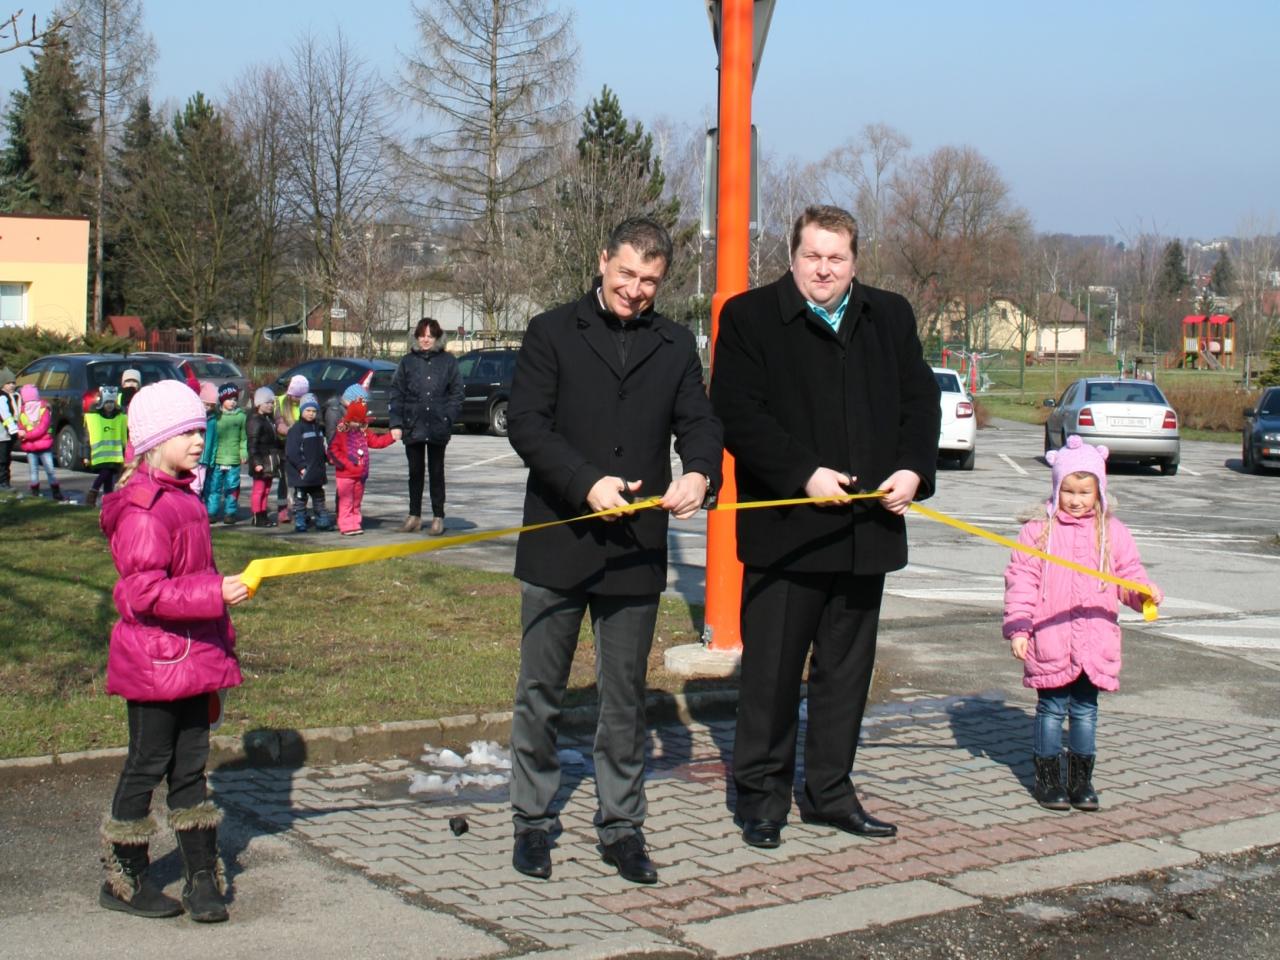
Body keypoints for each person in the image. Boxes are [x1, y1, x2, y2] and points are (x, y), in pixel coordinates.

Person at [710, 204, 941, 850]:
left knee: (845, 677)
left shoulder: (889, 315)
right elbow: (736, 411)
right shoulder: (751, 317)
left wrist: (913, 469)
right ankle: (762, 799)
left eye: (836, 258)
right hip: (787, 534)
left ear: (854, 262)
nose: (823, 269)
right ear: (792, 256)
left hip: (866, 533)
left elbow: (920, 400)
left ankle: (830, 792)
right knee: (772, 678)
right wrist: (802, 474)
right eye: (812, 255)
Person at [505, 218, 722, 885]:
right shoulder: (550, 331)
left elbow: (699, 422)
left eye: (650, 280)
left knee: (624, 696)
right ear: (603, 261)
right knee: (541, 689)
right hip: (559, 538)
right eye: (626, 273)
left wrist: (699, 474)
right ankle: (532, 820)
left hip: (634, 549)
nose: (635, 289)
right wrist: (584, 482)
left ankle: (622, 825)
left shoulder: (675, 343)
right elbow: (527, 425)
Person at [98, 379, 249, 923]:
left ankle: (202, 876)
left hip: (195, 659)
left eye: (200, 430)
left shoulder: (184, 497)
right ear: (155, 441)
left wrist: (220, 623)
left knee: (190, 770)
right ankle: (125, 876)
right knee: (147, 765)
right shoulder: (144, 509)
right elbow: (143, 593)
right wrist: (214, 593)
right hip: (155, 665)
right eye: (186, 432)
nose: (198, 440)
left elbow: (195, 572)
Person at [1004, 435, 1161, 812]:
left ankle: (1081, 781)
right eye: (1068, 491)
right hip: (1051, 638)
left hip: (1094, 639)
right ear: (1056, 487)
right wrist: (1020, 627)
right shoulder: (1038, 531)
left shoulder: (1112, 532)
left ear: (1099, 491)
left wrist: (1142, 594)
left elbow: (1128, 576)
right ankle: (1048, 780)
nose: (1076, 500)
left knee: (1085, 711)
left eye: (1085, 492)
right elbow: (1021, 581)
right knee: (1051, 709)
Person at [389, 317, 463, 536]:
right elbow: (397, 393)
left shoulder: (448, 362)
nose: (425, 340)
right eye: (422, 336)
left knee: (436, 472)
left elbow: (457, 393)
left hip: (438, 425)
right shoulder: (407, 362)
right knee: (415, 472)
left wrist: (448, 417)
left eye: (430, 336)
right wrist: (396, 423)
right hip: (413, 425)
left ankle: (438, 516)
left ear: (437, 337)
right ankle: (414, 515)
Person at [328, 399, 396, 536]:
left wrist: (391, 437)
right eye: (355, 421)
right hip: (346, 474)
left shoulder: (363, 431)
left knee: (356, 501)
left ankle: (355, 523)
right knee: (346, 501)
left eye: (360, 421)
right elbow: (333, 450)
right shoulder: (342, 430)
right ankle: (346, 524)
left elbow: (376, 442)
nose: (358, 424)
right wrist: (347, 464)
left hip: (360, 474)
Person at [285, 393, 332, 532]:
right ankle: (300, 521)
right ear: (301, 411)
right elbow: (292, 451)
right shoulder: (297, 429)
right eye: (308, 410)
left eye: (314, 411)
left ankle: (322, 520)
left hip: (316, 471)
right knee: (300, 499)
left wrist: (326, 458)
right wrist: (301, 467)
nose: (311, 414)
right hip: (302, 472)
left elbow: (321, 448)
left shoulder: (318, 428)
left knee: (319, 497)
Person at [202, 383, 247, 525]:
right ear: (221, 400)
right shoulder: (216, 417)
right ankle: (211, 512)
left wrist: (243, 452)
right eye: (229, 399)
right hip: (217, 459)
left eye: (235, 399)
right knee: (214, 487)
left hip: (233, 460)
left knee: (232, 487)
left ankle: (230, 512)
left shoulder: (241, 417)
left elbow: (243, 438)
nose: (232, 402)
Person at [16, 383, 64, 500]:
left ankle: (36, 492)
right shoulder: (43, 409)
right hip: (41, 444)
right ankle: (54, 492)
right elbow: (40, 428)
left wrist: (24, 435)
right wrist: (22, 434)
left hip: (32, 445)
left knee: (35, 470)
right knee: (49, 470)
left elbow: (28, 427)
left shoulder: (27, 411)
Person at [274, 374, 310, 526]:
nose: (297, 399)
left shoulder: (306, 403)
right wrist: (292, 431)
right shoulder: (280, 401)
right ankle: (282, 508)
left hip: (301, 446)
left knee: (302, 480)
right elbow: (279, 424)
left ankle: (299, 509)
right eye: (296, 396)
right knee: (284, 480)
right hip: (284, 446)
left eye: (300, 397)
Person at [83, 386, 127, 507]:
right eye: (107, 402)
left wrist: (126, 452)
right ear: (102, 402)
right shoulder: (94, 418)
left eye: (112, 402)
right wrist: (86, 455)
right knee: (106, 473)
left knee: (109, 478)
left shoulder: (120, 417)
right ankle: (93, 492)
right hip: (101, 456)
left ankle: (107, 501)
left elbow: (124, 436)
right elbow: (87, 438)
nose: (109, 405)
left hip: (115, 456)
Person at [246, 387, 281, 527]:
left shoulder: (268, 419)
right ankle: (257, 516)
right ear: (259, 404)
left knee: (266, 490)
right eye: (267, 403)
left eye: (272, 403)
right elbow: (252, 444)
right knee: (259, 490)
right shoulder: (255, 421)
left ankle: (263, 514)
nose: (270, 405)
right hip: (261, 460)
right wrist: (256, 462)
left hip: (269, 460)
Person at [0, 366, 19, 492]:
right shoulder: (2, 397)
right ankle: (3, 483)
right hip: (3, 434)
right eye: (8, 383)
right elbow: (5, 415)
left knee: (7, 458)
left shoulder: (14, 396)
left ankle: (5, 482)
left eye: (13, 382)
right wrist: (13, 429)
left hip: (8, 434)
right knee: (3, 460)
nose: (12, 385)